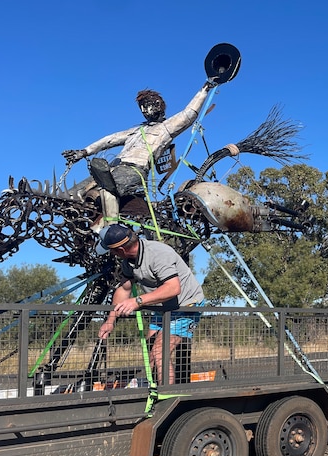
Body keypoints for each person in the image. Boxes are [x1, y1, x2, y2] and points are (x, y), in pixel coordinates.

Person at [62, 82, 217, 224]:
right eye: (141, 107)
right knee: (71, 195)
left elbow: (188, 114)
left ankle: (108, 227)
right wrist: (84, 151)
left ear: (157, 105)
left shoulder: (166, 128)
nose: (143, 110)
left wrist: (205, 89)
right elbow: (110, 139)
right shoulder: (136, 130)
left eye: (146, 105)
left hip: (134, 169)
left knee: (103, 194)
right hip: (112, 167)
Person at [97, 224, 203, 385]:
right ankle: (152, 389)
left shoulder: (158, 254)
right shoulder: (128, 261)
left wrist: (138, 301)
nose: (111, 254)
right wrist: (110, 320)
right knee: (150, 352)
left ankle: (167, 397)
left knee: (160, 353)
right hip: (163, 306)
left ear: (121, 249)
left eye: (111, 250)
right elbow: (124, 289)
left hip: (186, 306)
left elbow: (173, 288)